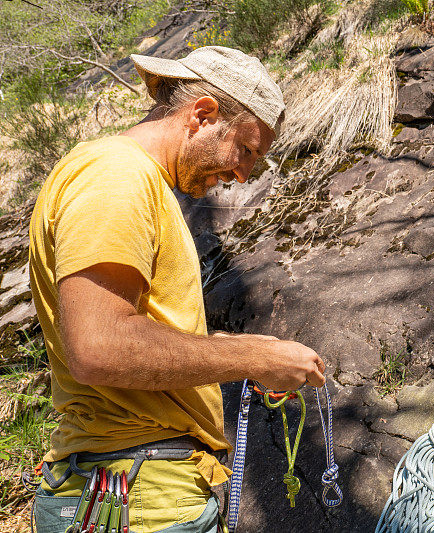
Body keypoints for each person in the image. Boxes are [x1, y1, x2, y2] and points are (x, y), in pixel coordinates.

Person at [27, 46, 325, 532]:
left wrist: (223, 349)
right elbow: (99, 346)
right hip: (136, 496)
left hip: (139, 488)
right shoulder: (116, 177)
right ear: (202, 114)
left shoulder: (128, 179)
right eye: (245, 150)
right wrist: (251, 358)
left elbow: (128, 330)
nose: (242, 174)